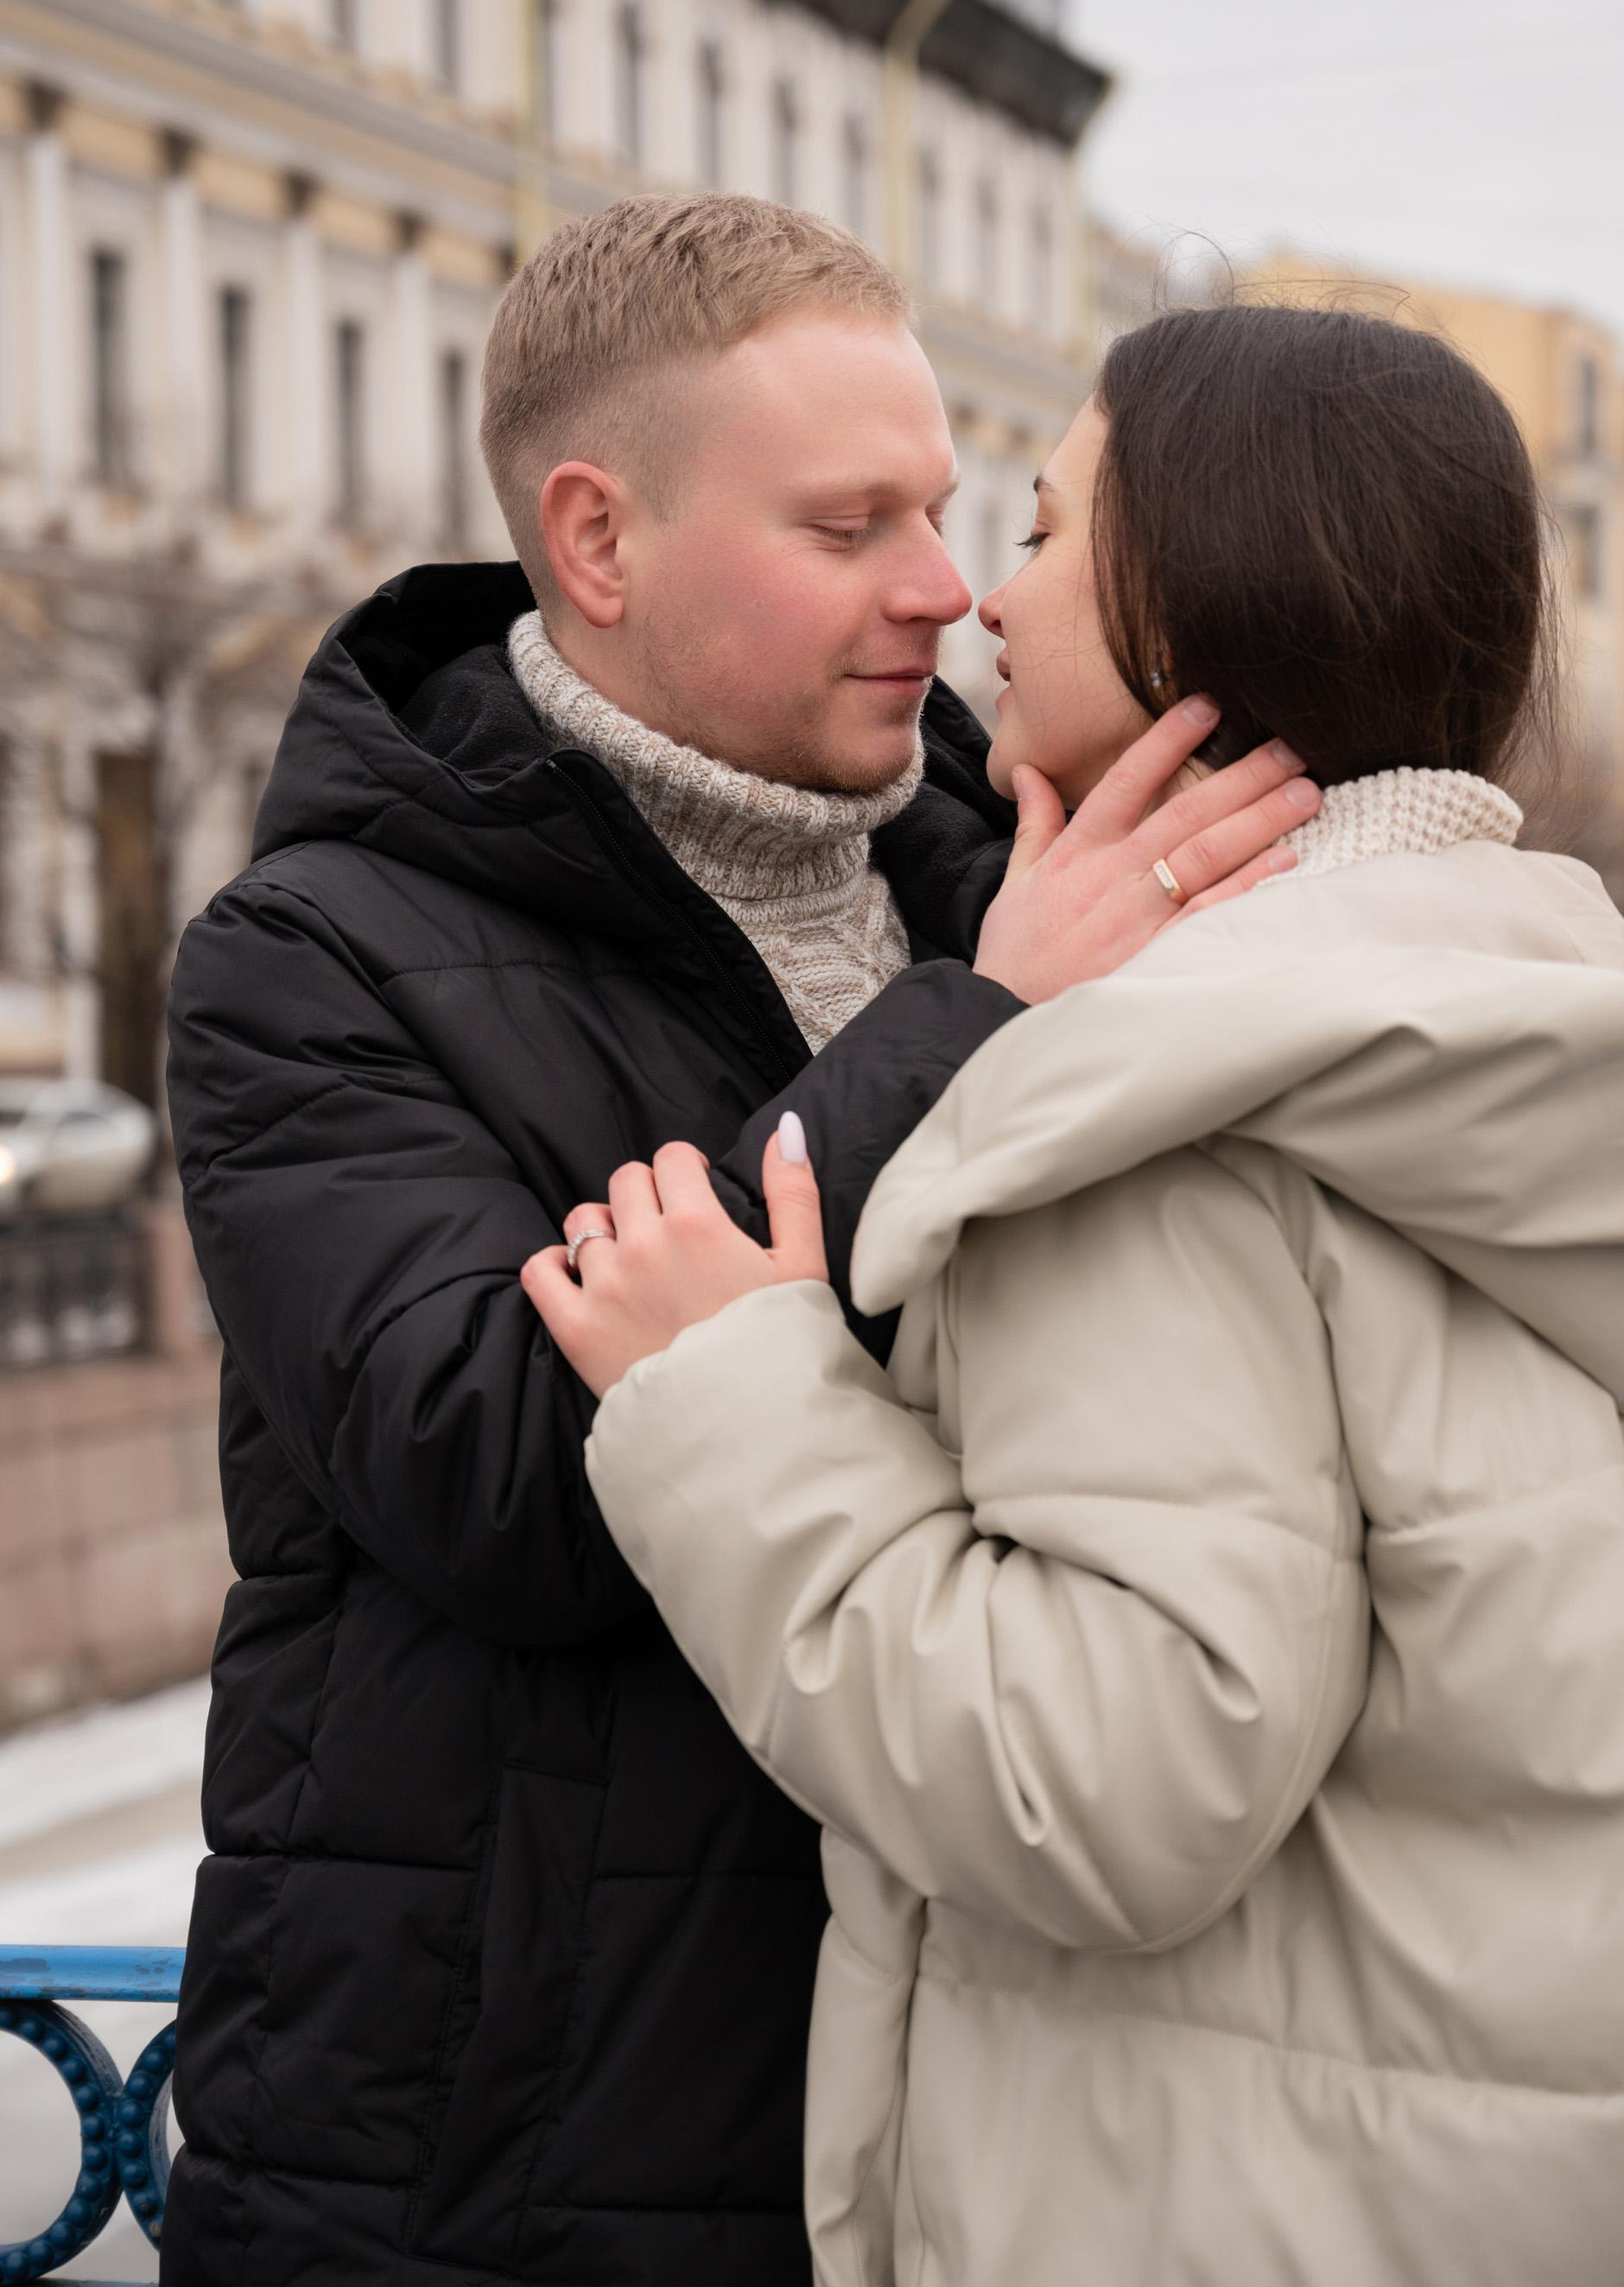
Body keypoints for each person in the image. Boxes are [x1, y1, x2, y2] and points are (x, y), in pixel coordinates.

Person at [159, 200, 1316, 2287]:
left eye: (947, 513)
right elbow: (497, 1472)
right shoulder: (311, 957)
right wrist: (976, 1032)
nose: (941, 587)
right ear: (599, 541)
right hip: (488, 2182)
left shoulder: (1009, 878)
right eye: (848, 524)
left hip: (967, 2149)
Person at [528, 302, 1624, 2287]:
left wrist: (731, 1393)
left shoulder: (1151, 1104)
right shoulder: (1515, 1005)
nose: (982, 600)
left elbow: (1108, 1784)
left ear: (1193, 614)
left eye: (1039, 531)